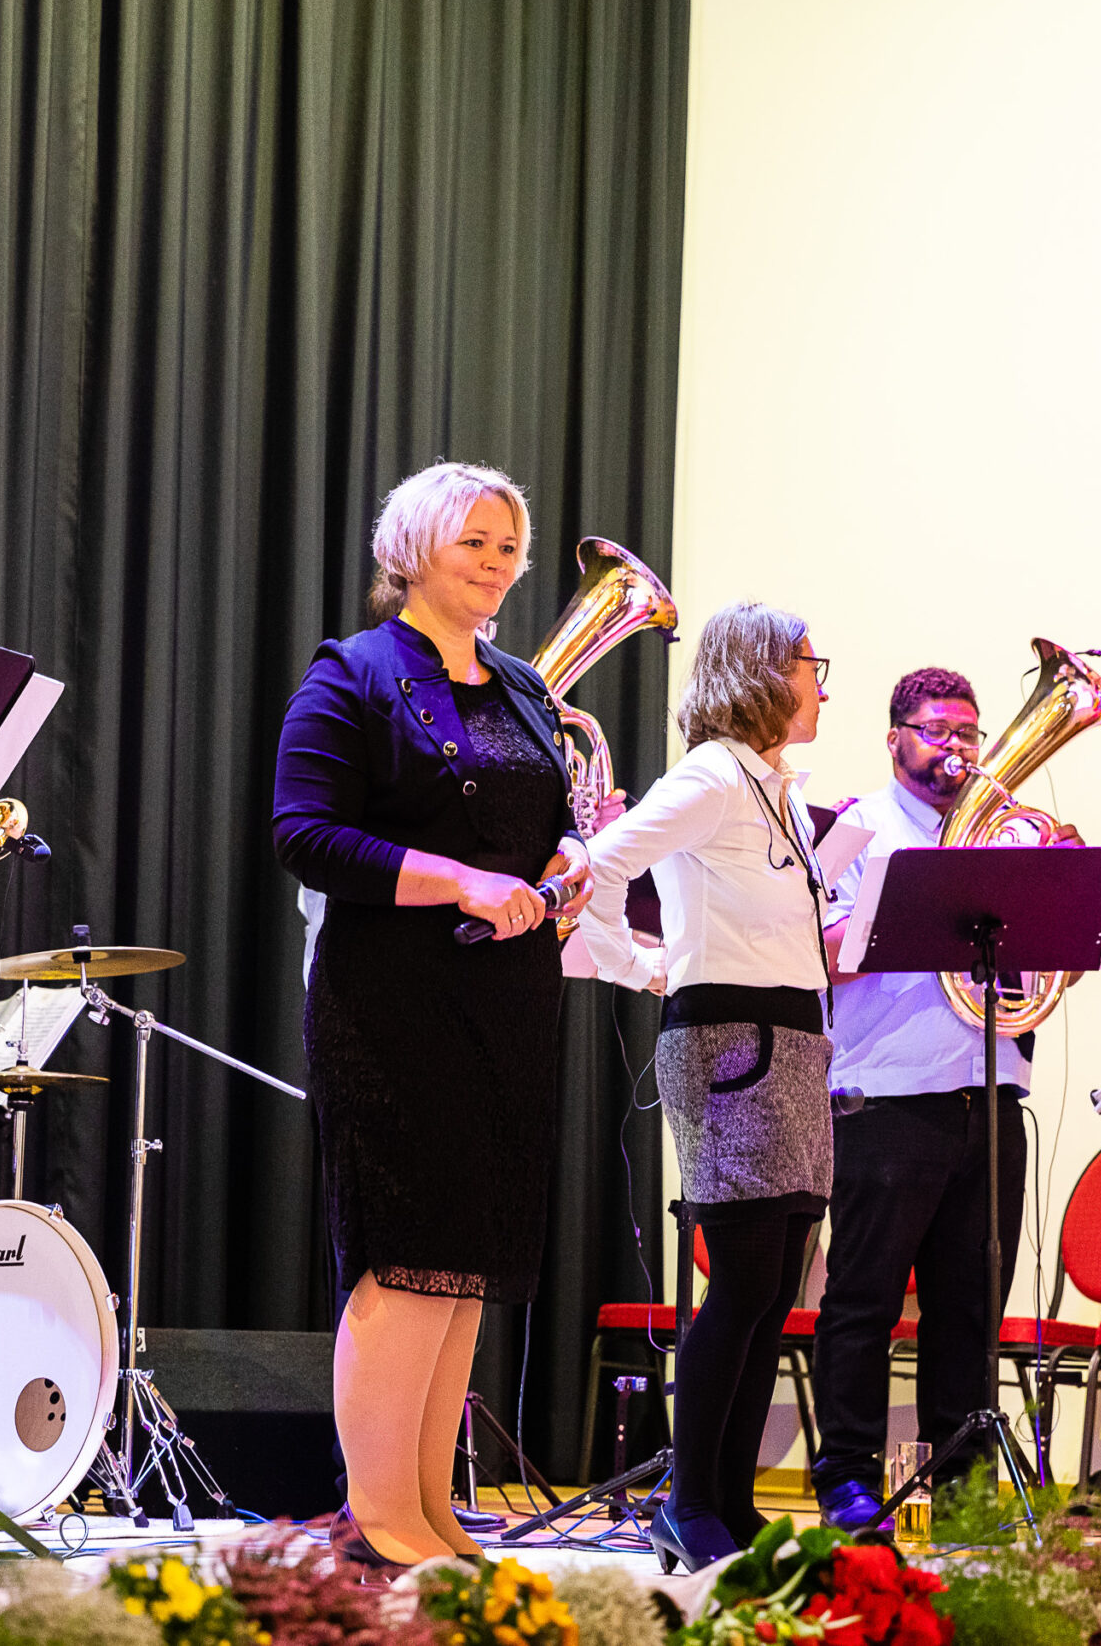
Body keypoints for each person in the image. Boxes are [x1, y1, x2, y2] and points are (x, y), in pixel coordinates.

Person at [272, 461, 591, 1570]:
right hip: (393, 1006)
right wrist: (459, 881)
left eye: (509, 548)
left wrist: (568, 860)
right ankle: (378, 1518)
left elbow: (552, 819)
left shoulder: (521, 684)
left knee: (464, 1272)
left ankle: (430, 1509)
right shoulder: (350, 675)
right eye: (475, 544)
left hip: (508, 1003)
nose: (499, 566)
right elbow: (305, 834)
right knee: (405, 1260)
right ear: (409, 551)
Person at [575, 602, 840, 1566]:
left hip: (793, 1041)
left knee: (774, 1289)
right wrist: (633, 962)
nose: (821, 685)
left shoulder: (775, 787)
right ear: (764, 672)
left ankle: (731, 1496)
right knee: (743, 1279)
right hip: (731, 1042)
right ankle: (688, 1503)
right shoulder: (713, 775)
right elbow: (601, 864)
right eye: (811, 663)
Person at [810, 667, 1040, 1528]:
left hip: (991, 1090)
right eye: (937, 730)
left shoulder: (1002, 837)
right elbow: (817, 952)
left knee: (971, 1308)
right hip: (886, 1095)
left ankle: (963, 1493)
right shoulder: (855, 828)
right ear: (895, 738)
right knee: (863, 1299)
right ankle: (847, 1477)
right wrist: (912, 907)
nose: (956, 747)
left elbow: (1043, 963)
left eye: (968, 733)